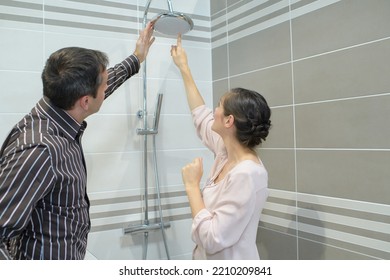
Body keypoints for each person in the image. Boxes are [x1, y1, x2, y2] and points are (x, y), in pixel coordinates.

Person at [0, 22, 155, 260]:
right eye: (103, 86)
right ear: (85, 101)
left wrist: (136, 58)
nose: (106, 87)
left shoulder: (58, 107)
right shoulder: (41, 150)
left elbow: (104, 83)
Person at [171, 35, 271, 260]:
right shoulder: (225, 151)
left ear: (229, 121)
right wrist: (184, 67)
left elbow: (212, 239)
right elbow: (200, 115)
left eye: (219, 106)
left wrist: (191, 186)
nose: (213, 110)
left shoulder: (248, 174)